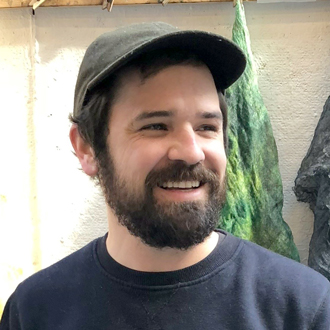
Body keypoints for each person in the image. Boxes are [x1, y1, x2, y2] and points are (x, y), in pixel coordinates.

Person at [1, 22, 329, 330]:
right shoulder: (34, 311)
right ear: (87, 148)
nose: (192, 152)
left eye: (207, 127)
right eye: (156, 126)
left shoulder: (303, 307)